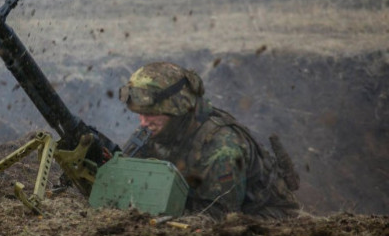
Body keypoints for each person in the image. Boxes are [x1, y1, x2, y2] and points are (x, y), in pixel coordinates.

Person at [118, 61, 301, 219]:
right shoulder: (159, 129)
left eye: (151, 114)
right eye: (140, 114)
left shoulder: (222, 147)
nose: (143, 122)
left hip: (264, 220)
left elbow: (219, 218)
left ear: (177, 110)